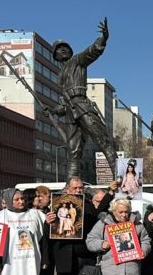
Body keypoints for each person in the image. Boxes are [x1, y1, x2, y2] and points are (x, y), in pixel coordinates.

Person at [45, 176, 115, 275]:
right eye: (75, 188)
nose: (78, 191)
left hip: (84, 256)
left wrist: (110, 193)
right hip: (64, 256)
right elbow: (49, 235)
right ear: (67, 189)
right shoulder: (56, 205)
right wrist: (47, 223)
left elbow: (98, 212)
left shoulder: (87, 205)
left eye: (80, 188)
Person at [50, 18, 118, 177]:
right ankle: (71, 184)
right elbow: (63, 102)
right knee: (74, 151)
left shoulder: (77, 61)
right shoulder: (60, 76)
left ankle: (121, 177)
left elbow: (92, 51)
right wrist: (54, 110)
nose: (64, 50)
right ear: (55, 56)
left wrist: (103, 39)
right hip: (69, 112)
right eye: (60, 49)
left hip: (82, 105)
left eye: (66, 48)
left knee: (103, 141)